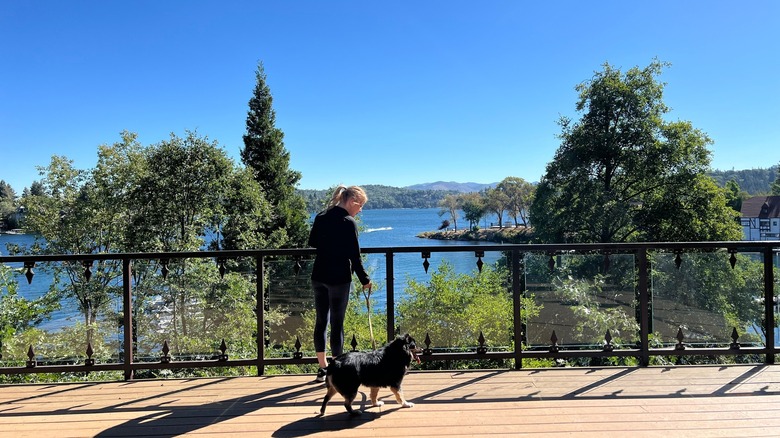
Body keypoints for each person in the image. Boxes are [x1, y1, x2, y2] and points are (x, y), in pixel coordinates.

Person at [308, 185, 372, 382]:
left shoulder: (321, 217)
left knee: (321, 322)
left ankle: (322, 368)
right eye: (360, 205)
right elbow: (355, 256)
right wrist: (365, 279)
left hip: (319, 275)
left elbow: (312, 242)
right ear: (352, 202)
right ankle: (335, 371)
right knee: (337, 324)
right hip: (339, 278)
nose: (360, 209)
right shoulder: (348, 222)